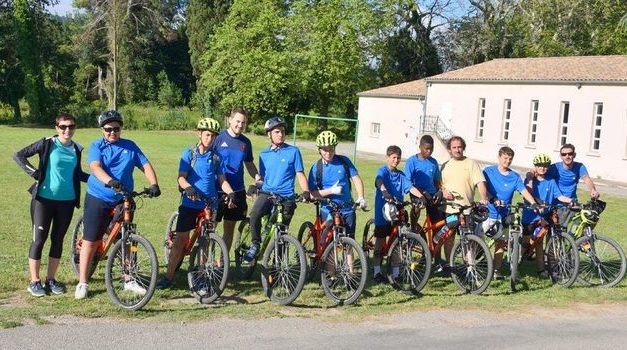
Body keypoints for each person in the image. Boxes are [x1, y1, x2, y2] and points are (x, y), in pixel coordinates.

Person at [75, 110, 161, 299]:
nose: (112, 132)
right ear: (102, 130)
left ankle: (128, 278)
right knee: (91, 240)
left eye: (116, 129)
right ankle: (83, 282)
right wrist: (110, 181)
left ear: (121, 128)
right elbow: (95, 167)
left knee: (127, 239)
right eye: (108, 129)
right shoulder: (97, 145)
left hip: (124, 198)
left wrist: (154, 184)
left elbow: (145, 165)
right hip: (99, 196)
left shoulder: (130, 146)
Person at [13, 113, 89, 297]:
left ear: (75, 127)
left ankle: (51, 279)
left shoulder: (77, 149)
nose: (67, 130)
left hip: (67, 202)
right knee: (39, 239)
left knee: (58, 240)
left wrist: (100, 180)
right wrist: (35, 173)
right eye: (63, 127)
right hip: (43, 201)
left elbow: (77, 174)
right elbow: (19, 155)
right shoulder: (47, 143)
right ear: (56, 128)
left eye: (71, 126)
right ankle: (34, 281)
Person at [156, 117, 236, 290]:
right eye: (207, 135)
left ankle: (200, 278)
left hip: (210, 204)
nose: (210, 139)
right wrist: (188, 188)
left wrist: (230, 192)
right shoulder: (189, 153)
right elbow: (181, 178)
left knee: (205, 242)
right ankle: (168, 276)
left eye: (213, 136)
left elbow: (222, 180)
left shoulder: (216, 158)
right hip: (190, 203)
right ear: (199, 134)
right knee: (180, 240)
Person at [243, 117, 311, 261]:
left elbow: (300, 174)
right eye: (277, 132)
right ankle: (255, 244)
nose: (281, 134)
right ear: (269, 134)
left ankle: (277, 264)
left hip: (287, 197)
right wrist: (254, 185)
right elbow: (262, 178)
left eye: (283, 131)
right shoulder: (264, 155)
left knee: (282, 231)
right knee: (255, 214)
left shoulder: (293, 151)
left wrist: (306, 191)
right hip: (267, 193)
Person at [476, 146, 536, 280]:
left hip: (504, 216)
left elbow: (523, 191)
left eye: (510, 159)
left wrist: (533, 202)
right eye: (505, 158)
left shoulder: (514, 176)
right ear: (499, 157)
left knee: (501, 243)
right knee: (479, 242)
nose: (507, 161)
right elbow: (483, 188)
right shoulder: (488, 171)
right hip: (488, 213)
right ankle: (477, 265)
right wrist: (492, 198)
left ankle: (496, 270)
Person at [373, 145, 425, 284]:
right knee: (380, 239)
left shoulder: (401, 175)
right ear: (387, 158)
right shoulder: (383, 170)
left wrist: (421, 197)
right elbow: (379, 181)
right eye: (393, 157)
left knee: (398, 240)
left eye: (398, 158)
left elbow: (411, 188)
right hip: (383, 211)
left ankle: (396, 273)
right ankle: (377, 271)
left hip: (397, 211)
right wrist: (384, 191)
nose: (396, 160)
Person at [213, 108, 261, 252]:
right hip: (217, 191)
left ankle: (222, 262)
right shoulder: (218, 138)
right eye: (238, 121)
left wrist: (257, 177)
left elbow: (249, 163)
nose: (240, 125)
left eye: (243, 122)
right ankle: (203, 263)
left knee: (229, 229)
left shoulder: (246, 142)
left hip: (237, 191)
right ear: (230, 120)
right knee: (210, 228)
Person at [439, 136, 488, 270]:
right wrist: (443, 191)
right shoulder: (445, 165)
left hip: (466, 210)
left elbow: (481, 183)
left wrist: (484, 198)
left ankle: (470, 267)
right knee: (449, 238)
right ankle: (450, 265)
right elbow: (439, 184)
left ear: (463, 147)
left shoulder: (471, 164)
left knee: (468, 239)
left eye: (459, 147)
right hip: (449, 209)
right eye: (454, 147)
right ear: (450, 149)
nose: (457, 150)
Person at [308, 130, 367, 241]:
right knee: (328, 243)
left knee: (349, 242)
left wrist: (361, 197)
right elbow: (311, 194)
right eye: (325, 150)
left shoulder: (344, 161)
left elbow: (356, 179)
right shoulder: (316, 168)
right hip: (328, 209)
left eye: (331, 149)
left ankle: (350, 259)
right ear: (319, 150)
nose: (328, 153)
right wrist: (331, 191)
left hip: (347, 208)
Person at [522, 153, 573, 277]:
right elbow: (527, 194)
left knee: (539, 243)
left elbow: (559, 196)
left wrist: (571, 201)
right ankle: (516, 264)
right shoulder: (530, 179)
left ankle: (541, 269)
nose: (542, 168)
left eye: (545, 166)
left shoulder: (551, 181)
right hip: (529, 216)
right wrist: (530, 177)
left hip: (543, 217)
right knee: (525, 243)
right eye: (540, 166)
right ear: (535, 166)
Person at [403, 135, 444, 264]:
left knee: (437, 227)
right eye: (426, 149)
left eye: (431, 149)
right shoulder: (411, 161)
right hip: (417, 194)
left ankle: (437, 259)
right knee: (416, 211)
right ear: (420, 146)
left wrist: (439, 191)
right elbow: (408, 182)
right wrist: (420, 194)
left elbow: (437, 180)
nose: (429, 151)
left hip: (432, 194)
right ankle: (414, 231)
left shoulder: (433, 162)